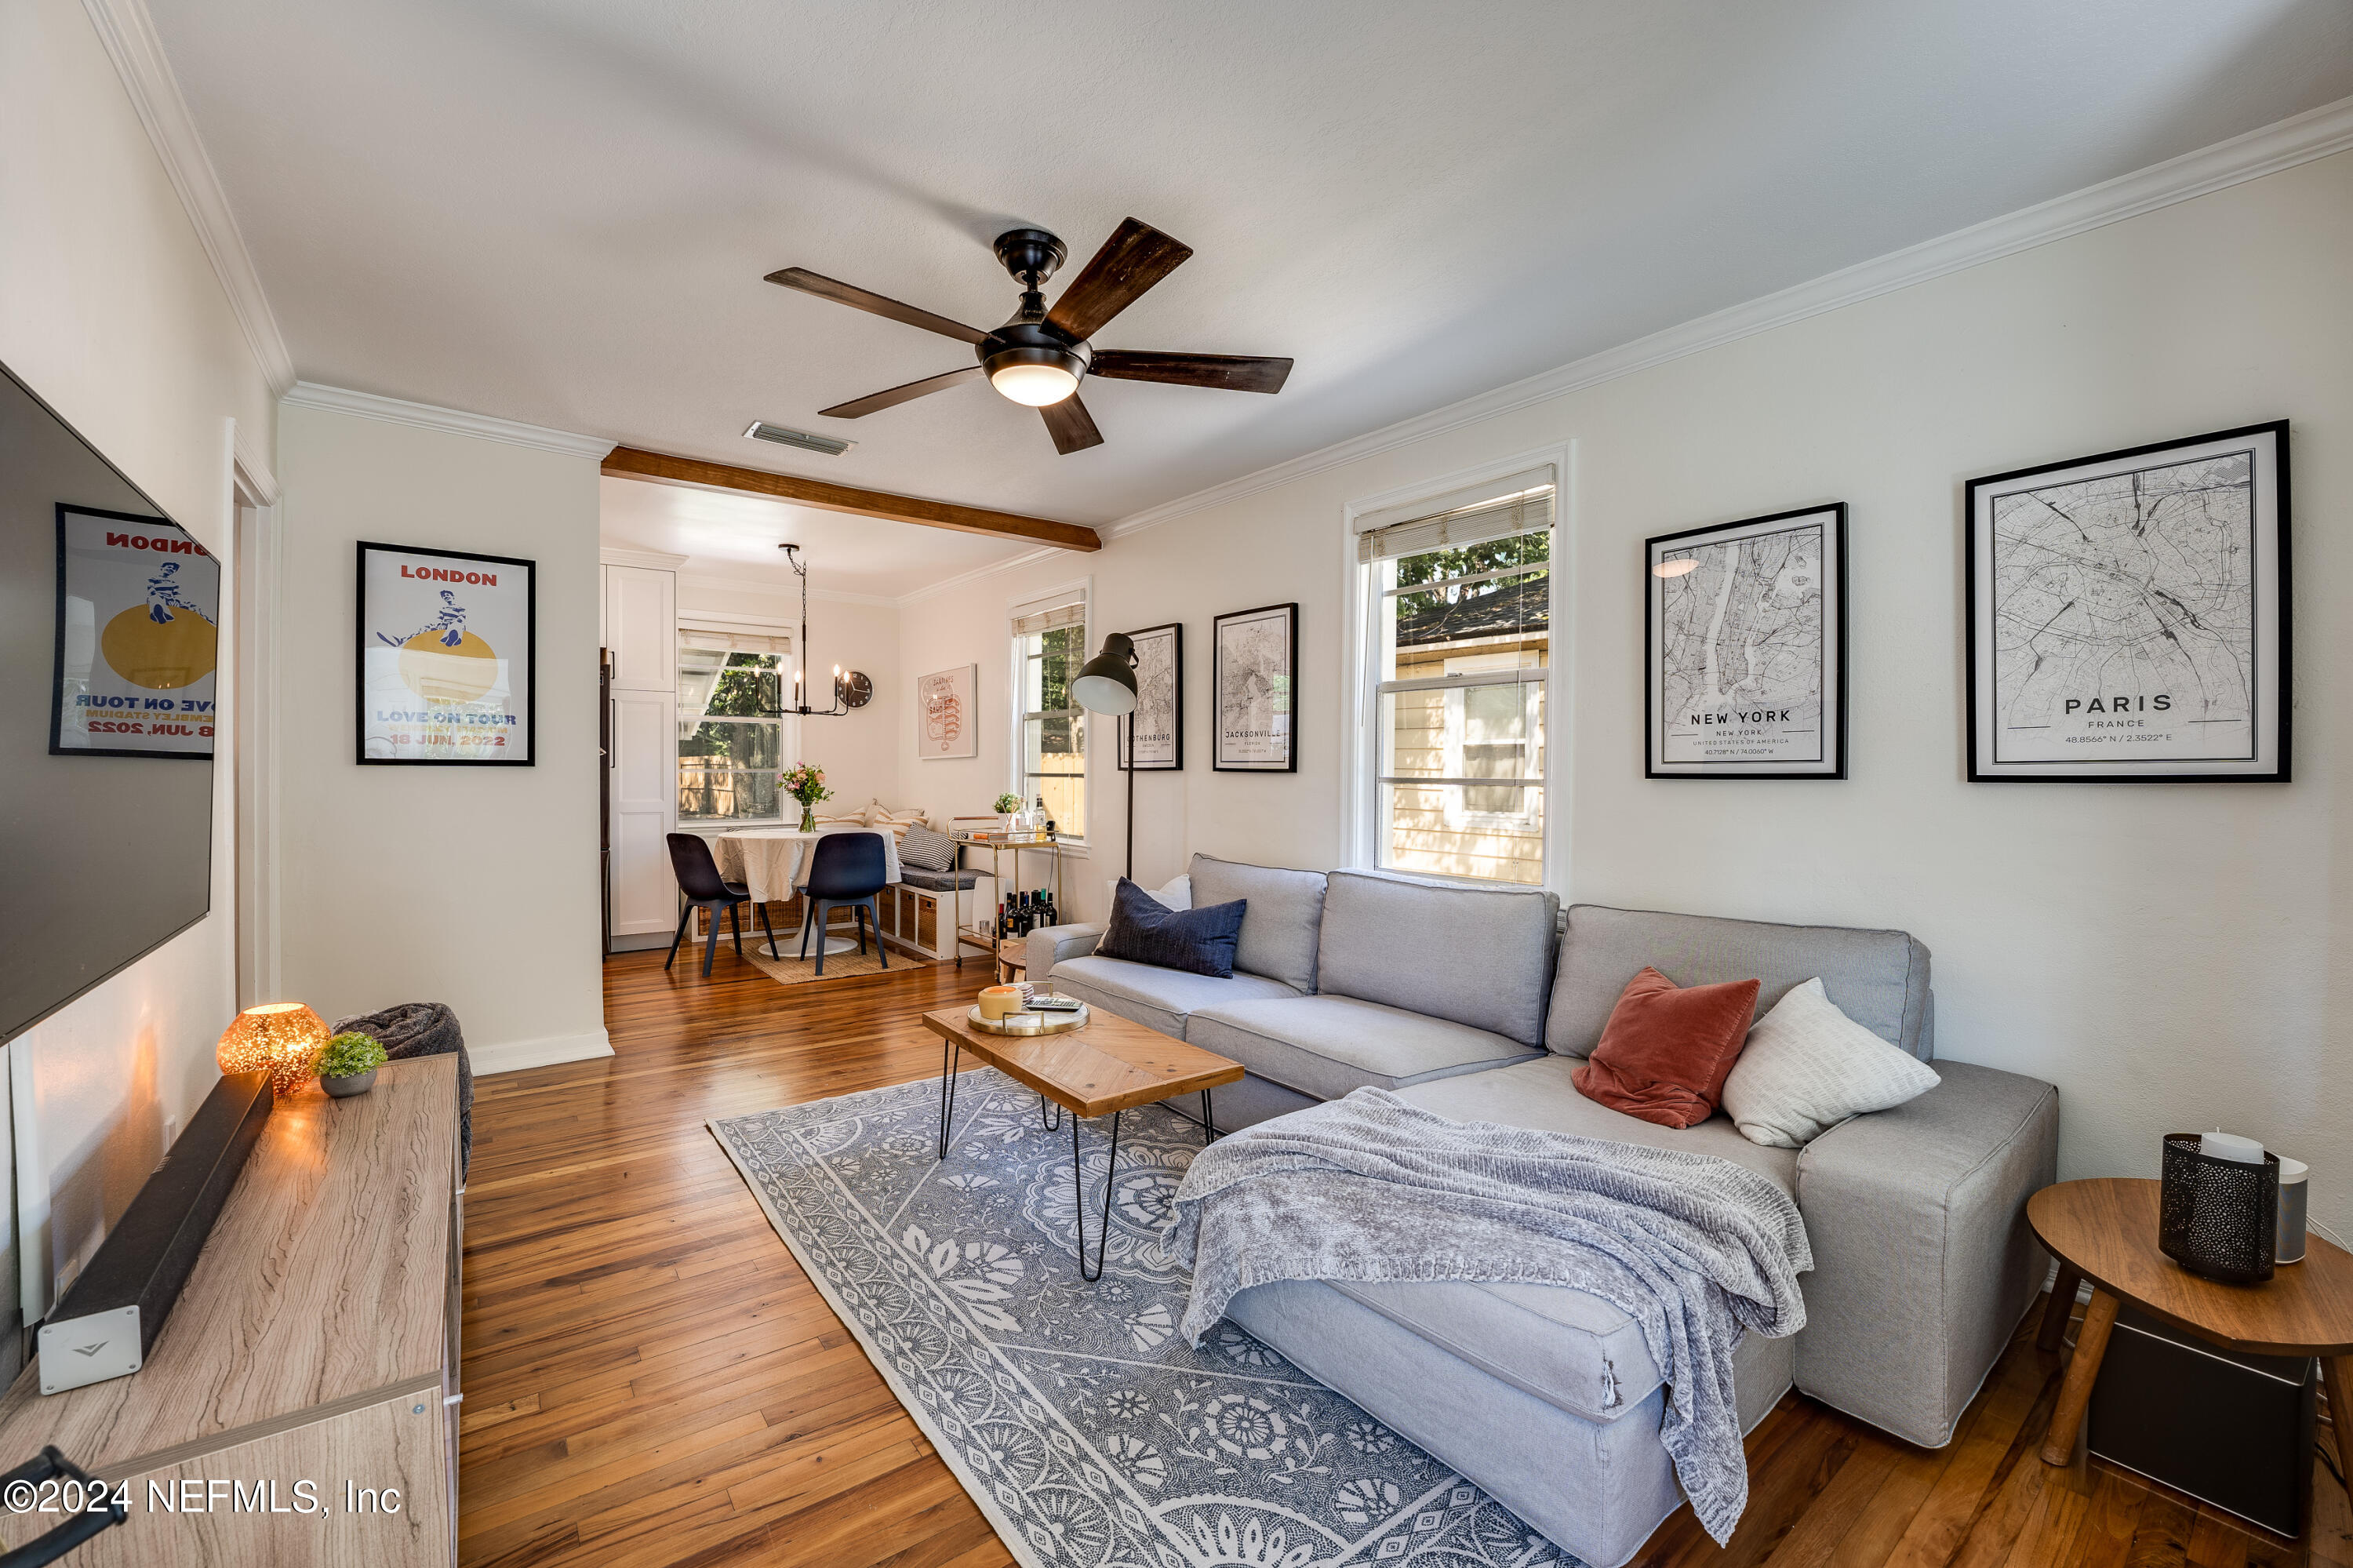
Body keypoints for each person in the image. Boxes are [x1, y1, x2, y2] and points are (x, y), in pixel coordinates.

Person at [377, 588, 468, 649]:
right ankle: (400, 640)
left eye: (448, 595)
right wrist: (438, 625)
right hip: (444, 626)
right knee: (425, 627)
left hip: (456, 626)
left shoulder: (459, 607)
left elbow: (462, 617)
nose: (446, 597)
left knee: (456, 624)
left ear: (453, 597)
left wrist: (451, 623)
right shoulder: (443, 609)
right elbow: (439, 619)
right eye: (444, 596)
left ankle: (453, 638)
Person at [144, 560, 211, 624]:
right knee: (155, 599)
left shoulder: (173, 582)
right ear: (162, 568)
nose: (171, 569)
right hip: (159, 597)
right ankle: (160, 614)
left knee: (193, 606)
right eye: (169, 567)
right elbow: (150, 588)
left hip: (171, 600)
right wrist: (156, 594)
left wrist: (179, 601)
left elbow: (177, 593)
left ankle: (204, 621)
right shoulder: (154, 578)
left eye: (173, 569)